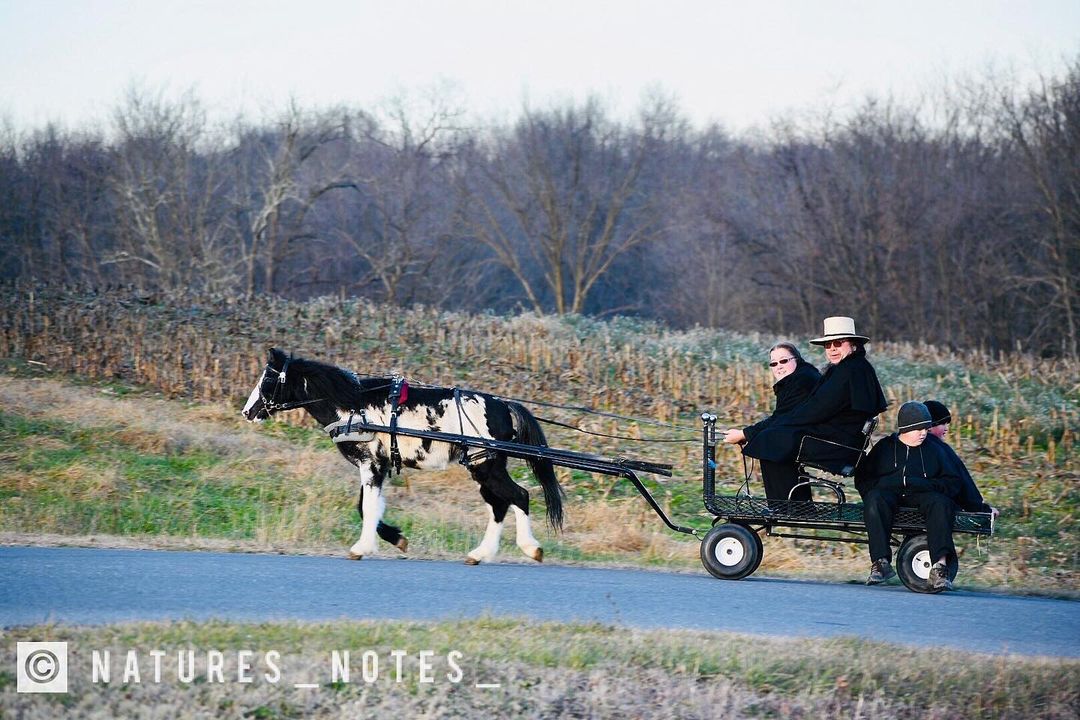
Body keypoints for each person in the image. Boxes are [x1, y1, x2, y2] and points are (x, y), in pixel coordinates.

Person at [723, 316, 887, 503]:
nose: (832, 348)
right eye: (828, 345)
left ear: (853, 344)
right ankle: (794, 505)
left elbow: (816, 409)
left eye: (838, 343)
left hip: (839, 444)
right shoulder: (849, 367)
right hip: (840, 437)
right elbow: (817, 407)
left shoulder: (850, 370)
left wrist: (754, 433)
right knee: (776, 435)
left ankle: (787, 507)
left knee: (773, 439)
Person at [855, 402, 992, 590]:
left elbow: (953, 481)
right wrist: (890, 483)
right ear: (905, 429)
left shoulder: (935, 449)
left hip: (924, 495)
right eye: (918, 429)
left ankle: (940, 568)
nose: (923, 433)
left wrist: (980, 509)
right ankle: (880, 564)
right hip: (890, 494)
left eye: (926, 428)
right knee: (874, 499)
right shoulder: (886, 447)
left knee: (941, 503)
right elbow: (864, 479)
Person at [924, 400, 998, 520]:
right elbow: (961, 481)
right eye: (943, 424)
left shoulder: (904, 443)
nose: (947, 429)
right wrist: (981, 509)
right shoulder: (940, 449)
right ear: (930, 426)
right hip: (937, 507)